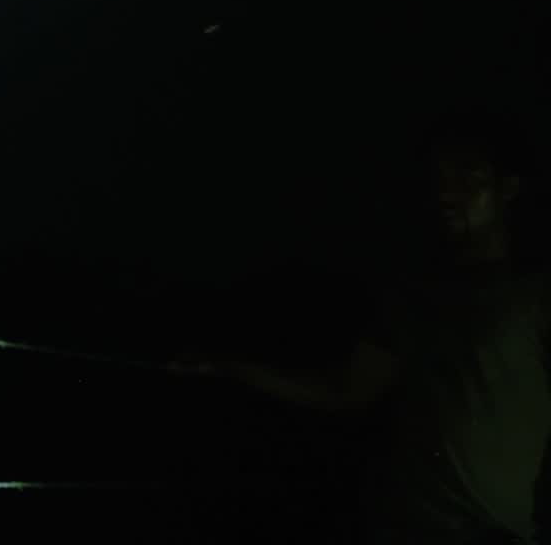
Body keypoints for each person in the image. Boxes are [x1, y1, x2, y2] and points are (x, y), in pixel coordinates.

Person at [172, 114, 550, 543]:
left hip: (494, 533)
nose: (446, 191)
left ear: (510, 189)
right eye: (438, 178)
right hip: (403, 526)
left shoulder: (536, 296)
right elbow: (348, 390)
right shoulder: (409, 299)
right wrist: (235, 370)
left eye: (468, 175)